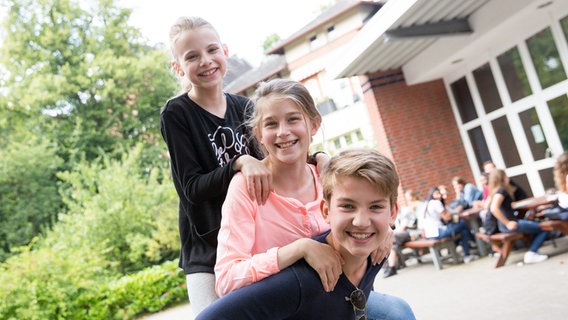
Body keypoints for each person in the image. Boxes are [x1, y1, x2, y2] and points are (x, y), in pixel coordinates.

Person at [214, 79, 415, 319]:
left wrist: (386, 230)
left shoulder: (327, 175)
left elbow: (366, 210)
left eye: (293, 119)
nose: (283, 131)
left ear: (314, 124)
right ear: (259, 134)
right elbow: (227, 279)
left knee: (397, 312)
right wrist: (300, 248)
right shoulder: (246, 188)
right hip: (284, 309)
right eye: (271, 124)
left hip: (334, 299)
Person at [197, 148, 409, 320]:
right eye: (347, 206)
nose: (361, 222)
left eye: (375, 207)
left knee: (398, 311)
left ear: (393, 213)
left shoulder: (376, 252)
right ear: (326, 211)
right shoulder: (300, 283)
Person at [160, 16, 276, 314]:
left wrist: (319, 158)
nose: (206, 61)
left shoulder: (245, 107)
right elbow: (191, 189)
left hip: (252, 239)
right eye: (192, 56)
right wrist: (238, 161)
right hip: (206, 248)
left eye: (212, 50)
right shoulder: (177, 114)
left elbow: (276, 163)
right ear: (178, 67)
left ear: (224, 51)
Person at [488, 169, 550, 264]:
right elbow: (493, 208)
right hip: (511, 224)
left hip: (505, 225)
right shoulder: (501, 191)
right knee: (544, 227)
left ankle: (533, 251)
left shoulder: (496, 191)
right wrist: (507, 223)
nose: (508, 178)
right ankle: (532, 252)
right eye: (506, 176)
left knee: (534, 225)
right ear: (502, 178)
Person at [422, 186, 478, 263]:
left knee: (463, 231)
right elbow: (447, 217)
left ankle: (467, 252)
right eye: (437, 193)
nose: (439, 195)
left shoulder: (427, 203)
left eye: (439, 193)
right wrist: (455, 212)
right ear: (432, 195)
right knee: (462, 223)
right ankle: (472, 243)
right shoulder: (436, 202)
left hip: (430, 233)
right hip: (438, 232)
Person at [382, 189, 423, 278]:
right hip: (401, 235)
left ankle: (391, 266)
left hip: (412, 234)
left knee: (391, 237)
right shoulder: (395, 213)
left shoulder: (406, 211)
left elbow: (403, 228)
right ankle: (390, 266)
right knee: (389, 240)